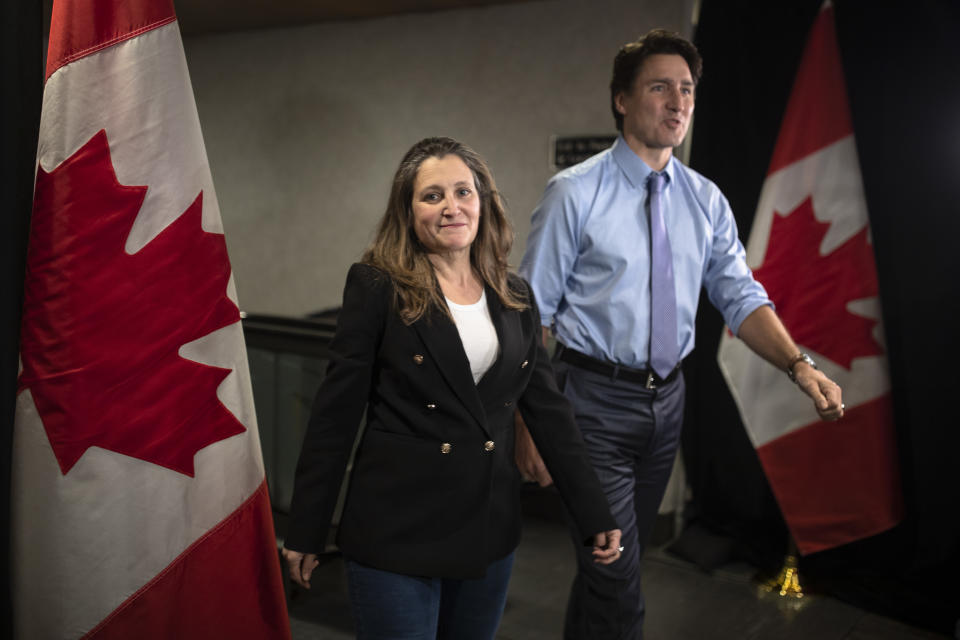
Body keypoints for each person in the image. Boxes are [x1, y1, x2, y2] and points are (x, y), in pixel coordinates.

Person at [515, 29, 845, 639]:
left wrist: (801, 366)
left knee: (607, 569)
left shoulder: (705, 200)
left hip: (666, 403)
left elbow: (741, 298)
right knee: (620, 578)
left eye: (687, 90)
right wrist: (530, 421)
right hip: (589, 403)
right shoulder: (574, 193)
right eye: (660, 87)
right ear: (622, 100)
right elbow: (531, 316)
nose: (677, 103)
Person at [282, 137, 623, 640]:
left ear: (483, 203)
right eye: (432, 195)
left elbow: (549, 413)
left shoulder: (516, 296)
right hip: (396, 530)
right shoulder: (378, 286)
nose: (451, 207)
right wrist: (307, 529)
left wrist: (593, 510)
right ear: (408, 209)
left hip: (487, 529)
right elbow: (335, 416)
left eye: (463, 192)